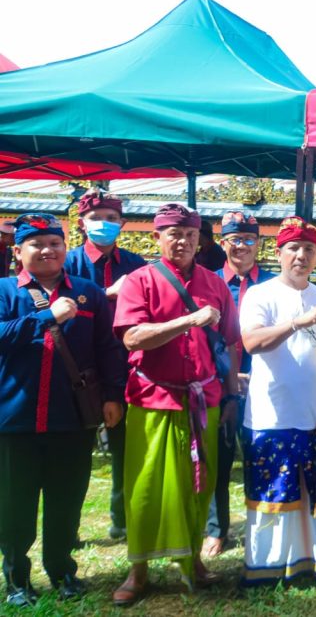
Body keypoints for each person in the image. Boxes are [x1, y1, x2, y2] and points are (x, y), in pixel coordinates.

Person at [111, 203, 241, 606]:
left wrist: (233, 392)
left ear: (199, 240)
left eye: (190, 234)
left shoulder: (214, 283)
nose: (182, 241)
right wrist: (186, 321)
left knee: (198, 485)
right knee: (146, 487)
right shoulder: (139, 281)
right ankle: (139, 570)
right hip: (154, 398)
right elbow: (132, 338)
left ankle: (193, 564)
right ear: (157, 237)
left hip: (205, 399)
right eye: (173, 233)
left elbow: (231, 342)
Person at [0, 213, 125, 607]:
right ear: (18, 252)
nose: (47, 250)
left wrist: (113, 396)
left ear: (64, 248)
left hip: (73, 418)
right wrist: (45, 317)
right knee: (14, 502)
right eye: (37, 244)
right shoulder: (5, 291)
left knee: (67, 498)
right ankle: (17, 577)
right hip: (14, 418)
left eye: (55, 243)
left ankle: (62, 570)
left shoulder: (88, 293)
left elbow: (109, 348)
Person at [237, 217, 316, 586]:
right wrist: (297, 323)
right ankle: (264, 567)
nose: (301, 255)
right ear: (278, 253)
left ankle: (309, 561)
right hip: (272, 413)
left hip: (315, 410)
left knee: (311, 488)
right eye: (293, 248)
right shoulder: (259, 294)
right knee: (272, 490)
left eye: (309, 249)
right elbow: (252, 343)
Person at [63, 188, 147, 541]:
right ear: (82, 223)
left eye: (112, 219)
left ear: (122, 224)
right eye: (97, 218)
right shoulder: (66, 263)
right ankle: (67, 530)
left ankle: (122, 518)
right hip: (76, 369)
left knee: (125, 449)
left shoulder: (136, 265)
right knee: (73, 454)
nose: (104, 224)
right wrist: (108, 294)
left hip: (125, 367)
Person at [202, 211, 276, 559]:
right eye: (235, 240)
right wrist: (230, 377)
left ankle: (261, 525)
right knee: (217, 456)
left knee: (260, 457)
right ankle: (216, 529)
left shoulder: (275, 285)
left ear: (259, 244)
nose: (242, 247)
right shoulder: (208, 281)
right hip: (218, 384)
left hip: (266, 385)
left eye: (249, 240)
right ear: (223, 244)